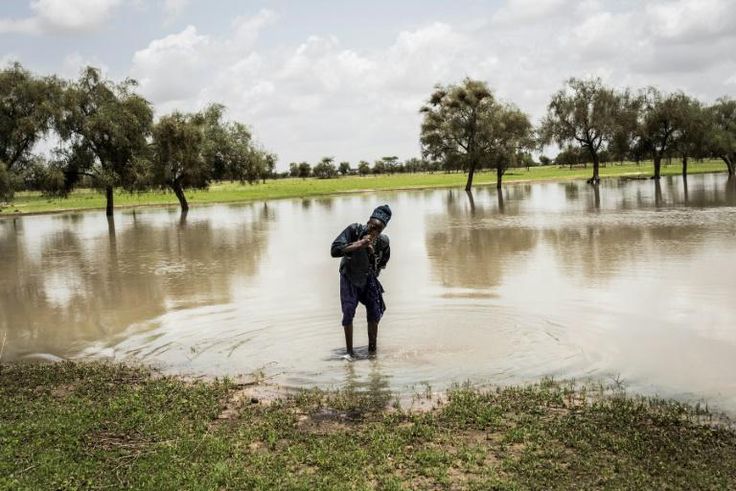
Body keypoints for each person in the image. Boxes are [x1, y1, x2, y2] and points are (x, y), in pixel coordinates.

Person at [330, 205, 391, 358]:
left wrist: (372, 259)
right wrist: (359, 245)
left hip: (368, 278)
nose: (374, 231)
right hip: (349, 276)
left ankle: (372, 352)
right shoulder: (354, 230)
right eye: (372, 226)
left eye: (378, 229)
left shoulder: (383, 242)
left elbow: (382, 264)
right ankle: (349, 353)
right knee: (348, 312)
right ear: (368, 222)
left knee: (374, 311)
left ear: (382, 230)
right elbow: (334, 250)